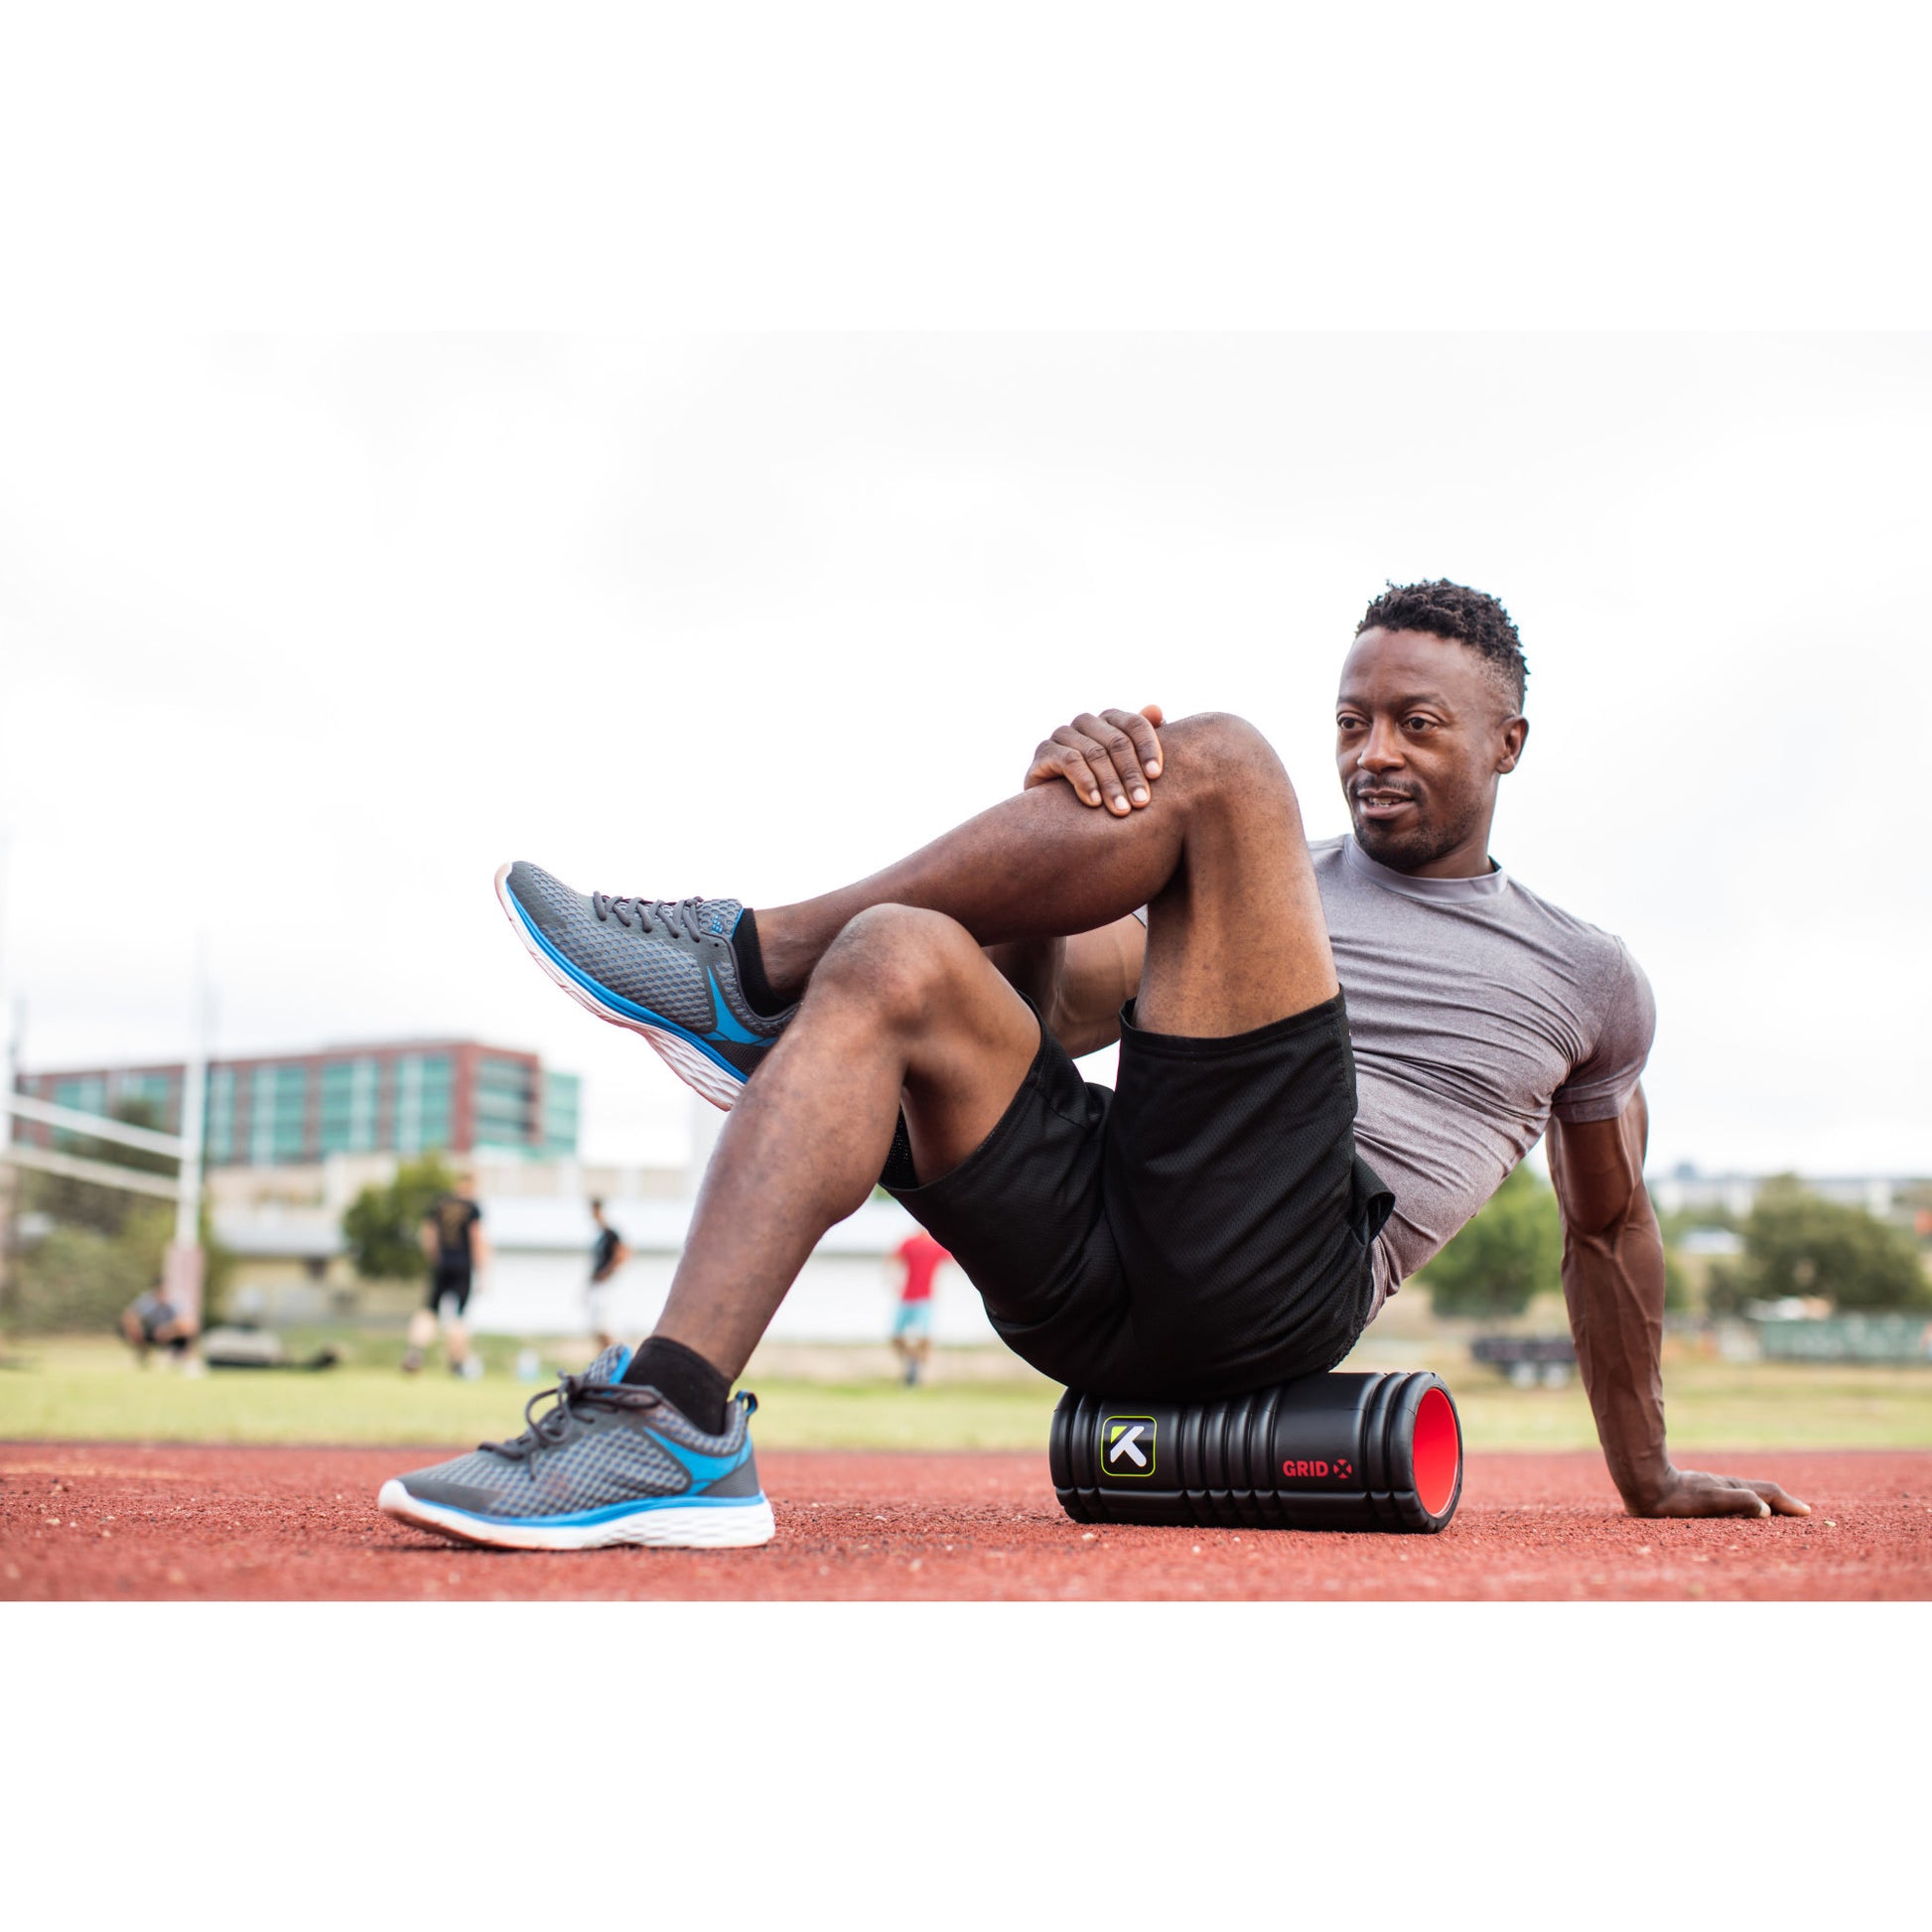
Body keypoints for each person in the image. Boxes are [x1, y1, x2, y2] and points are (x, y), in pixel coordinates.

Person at [379, 579, 1811, 1550]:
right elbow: (1043, 1017)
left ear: (1508, 742)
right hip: (1092, 1280)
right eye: (1351, 721)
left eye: (1415, 724)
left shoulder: (1580, 972)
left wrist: (1647, 1472)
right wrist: (1055, 816)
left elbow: (1607, 1226)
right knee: (897, 955)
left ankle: (751, 967)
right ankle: (671, 1421)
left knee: (1220, 762)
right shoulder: (1250, 885)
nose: (1370, 751)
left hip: (1280, 1283)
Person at [402, 1168, 487, 1377]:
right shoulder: (472, 1208)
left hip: (442, 1265)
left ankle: (415, 1352)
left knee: (429, 1310)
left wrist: (436, 1258)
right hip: (463, 1266)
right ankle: (457, 1362)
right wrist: (481, 1271)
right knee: (459, 1316)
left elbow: (428, 1235)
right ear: (471, 1185)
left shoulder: (440, 1204)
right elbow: (476, 1238)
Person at [889, 1228, 949, 1385]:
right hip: (907, 1297)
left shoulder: (936, 1245)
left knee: (925, 1337)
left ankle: (921, 1371)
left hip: (925, 1298)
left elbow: (953, 1259)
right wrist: (893, 1279)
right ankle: (909, 1364)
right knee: (896, 1337)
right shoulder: (910, 1243)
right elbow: (893, 1259)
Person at [585, 1197, 630, 1352]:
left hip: (605, 1286)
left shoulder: (611, 1235)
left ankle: (614, 1357)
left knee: (604, 1326)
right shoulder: (600, 1237)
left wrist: (607, 1273)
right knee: (596, 1327)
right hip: (596, 1285)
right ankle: (604, 1356)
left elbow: (623, 1253)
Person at [121, 1278, 194, 1366]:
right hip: (152, 1333)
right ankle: (144, 1354)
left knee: (186, 1330)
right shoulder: (147, 1300)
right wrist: (137, 1329)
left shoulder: (176, 1301)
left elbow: (186, 1322)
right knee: (133, 1329)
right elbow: (129, 1316)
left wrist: (168, 1330)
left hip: (172, 1334)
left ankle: (180, 1356)